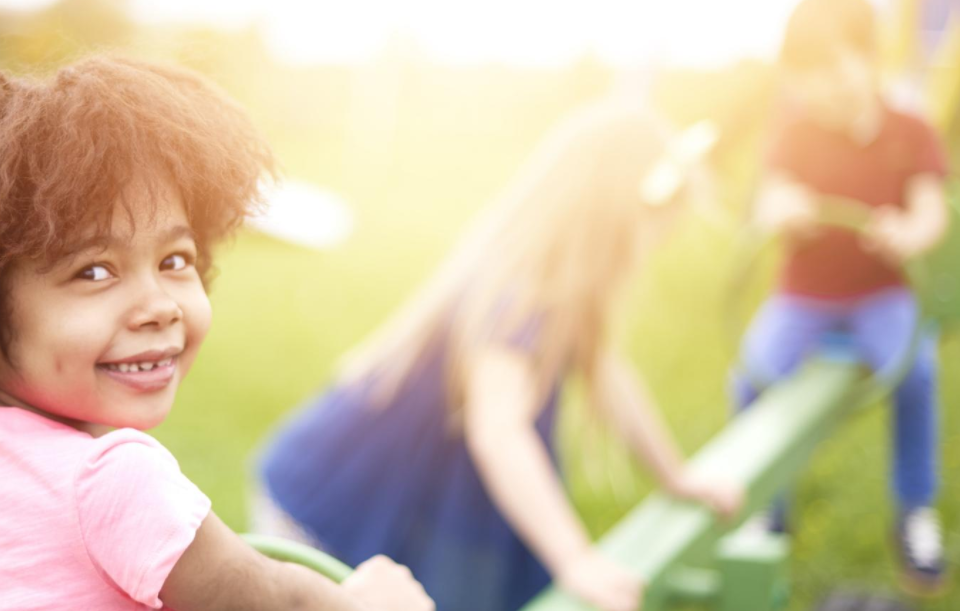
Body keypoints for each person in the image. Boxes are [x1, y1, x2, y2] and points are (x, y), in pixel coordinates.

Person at [0, 57, 433, 611]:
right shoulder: (112, 480)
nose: (159, 306)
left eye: (175, 261)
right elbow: (276, 599)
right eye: (94, 271)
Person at [255, 102, 744, 611]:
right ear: (613, 215)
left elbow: (607, 371)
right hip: (331, 506)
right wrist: (575, 558)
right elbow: (499, 431)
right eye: (653, 226)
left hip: (396, 496)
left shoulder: (564, 287)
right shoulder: (522, 293)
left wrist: (675, 475)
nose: (654, 245)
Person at [735, 0, 949, 596]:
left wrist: (907, 233)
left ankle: (914, 510)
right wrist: (786, 209)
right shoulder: (796, 133)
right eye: (807, 76)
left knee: (918, 373)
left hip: (881, 294)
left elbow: (930, 212)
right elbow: (769, 197)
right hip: (804, 296)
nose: (823, 88)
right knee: (750, 377)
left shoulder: (910, 131)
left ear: (869, 57)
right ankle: (764, 506)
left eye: (833, 68)